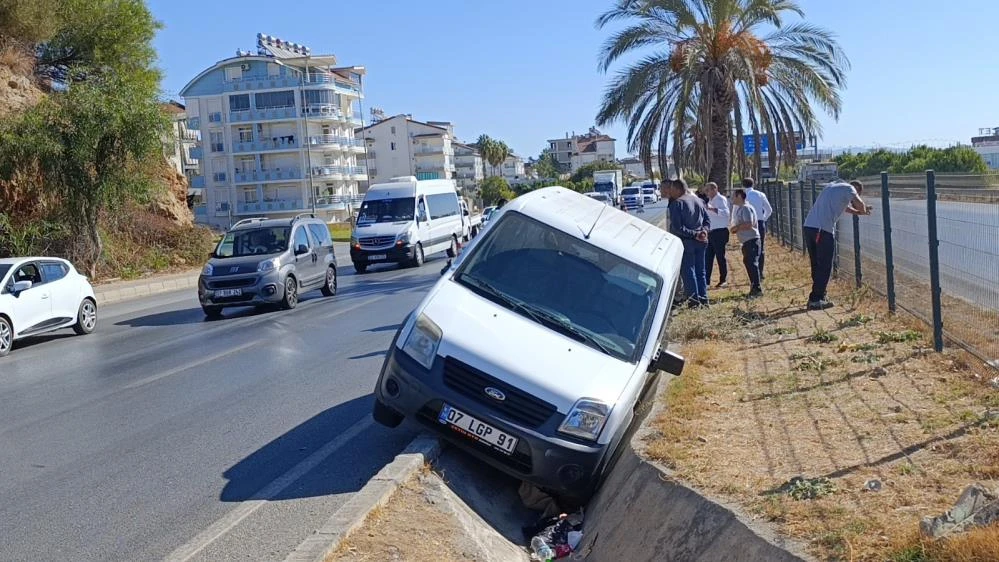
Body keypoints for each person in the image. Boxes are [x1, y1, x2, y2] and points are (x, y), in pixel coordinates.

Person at [803, 179, 872, 310]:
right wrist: (862, 210)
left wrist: (856, 212)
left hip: (809, 227)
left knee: (816, 264)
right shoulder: (849, 189)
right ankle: (815, 299)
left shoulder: (832, 187)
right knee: (825, 265)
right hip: (822, 230)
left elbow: (844, 207)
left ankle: (819, 295)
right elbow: (860, 204)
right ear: (856, 189)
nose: (852, 199)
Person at [662, 178, 710, 307]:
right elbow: (707, 220)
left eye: (671, 189)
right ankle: (704, 298)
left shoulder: (677, 204)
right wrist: (703, 232)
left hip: (686, 242)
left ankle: (694, 301)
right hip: (701, 240)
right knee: (701, 270)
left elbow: (677, 227)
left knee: (689, 271)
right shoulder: (699, 201)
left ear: (678, 189)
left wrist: (695, 234)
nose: (669, 192)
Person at [729, 189, 762, 298]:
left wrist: (736, 228)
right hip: (747, 241)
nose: (731, 199)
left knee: (752, 264)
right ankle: (754, 287)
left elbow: (749, 224)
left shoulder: (746, 208)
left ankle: (757, 289)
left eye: (733, 196)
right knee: (748, 262)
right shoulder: (741, 209)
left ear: (739, 196)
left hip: (751, 240)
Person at [741, 178, 773, 282]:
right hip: (759, 222)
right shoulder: (760, 194)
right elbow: (769, 209)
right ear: (753, 184)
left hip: (746, 223)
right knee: (761, 247)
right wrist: (763, 218)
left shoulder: (742, 196)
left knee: (748, 245)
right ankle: (760, 271)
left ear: (743, 185)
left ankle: (752, 271)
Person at [702, 182, 731, 288]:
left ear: (715, 189)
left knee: (720, 257)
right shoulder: (710, 200)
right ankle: (707, 282)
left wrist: (712, 209)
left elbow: (726, 213)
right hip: (711, 232)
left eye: (708, 190)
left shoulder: (720, 199)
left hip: (720, 232)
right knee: (708, 257)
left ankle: (723, 280)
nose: (706, 193)